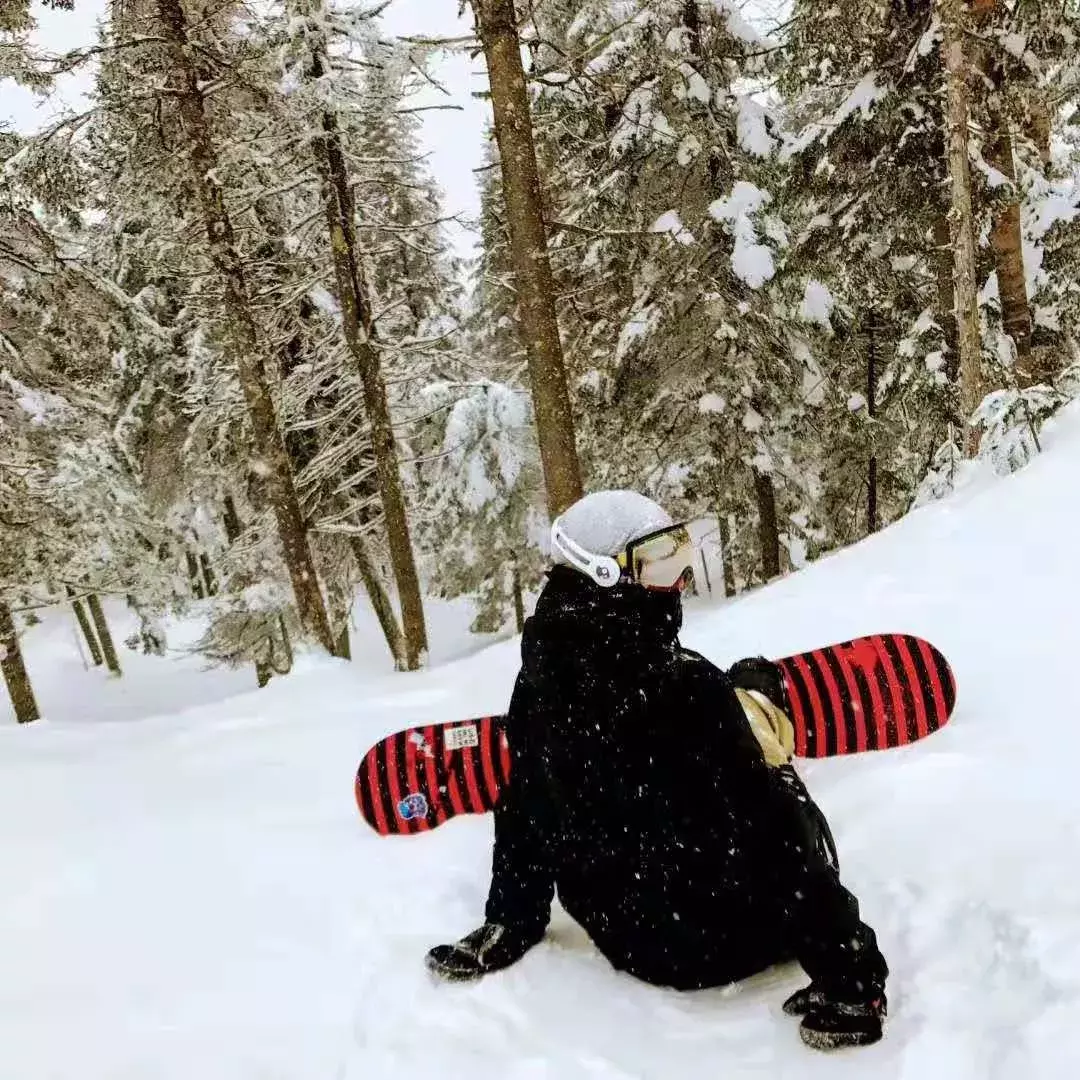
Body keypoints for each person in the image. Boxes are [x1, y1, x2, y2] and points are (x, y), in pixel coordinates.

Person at [426, 491, 888, 1051]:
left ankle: (754, 696)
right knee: (769, 764)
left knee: (550, 774)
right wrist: (852, 980)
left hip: (627, 940)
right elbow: (778, 839)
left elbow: (526, 803)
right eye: (659, 564)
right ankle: (764, 700)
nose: (680, 580)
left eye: (679, 555)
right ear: (605, 575)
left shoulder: (535, 686)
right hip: (727, 944)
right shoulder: (689, 691)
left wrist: (512, 920)